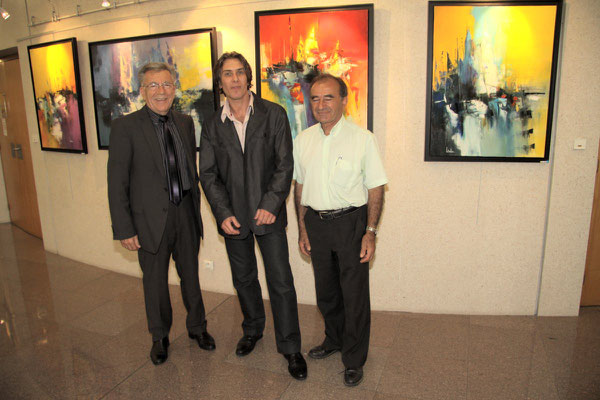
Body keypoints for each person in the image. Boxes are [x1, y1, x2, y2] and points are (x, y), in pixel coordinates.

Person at [199, 52, 307, 380]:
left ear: (248, 77)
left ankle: (290, 347)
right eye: (227, 75)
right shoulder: (212, 124)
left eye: (239, 73)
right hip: (233, 220)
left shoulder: (272, 114)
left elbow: (284, 164)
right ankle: (253, 330)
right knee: (244, 279)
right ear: (220, 83)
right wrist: (222, 213)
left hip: (268, 217)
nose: (234, 80)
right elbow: (208, 174)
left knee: (281, 282)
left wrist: (270, 204)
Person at [107, 62, 215, 366]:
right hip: (149, 221)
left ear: (175, 88)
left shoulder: (184, 122)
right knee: (154, 283)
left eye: (167, 84)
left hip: (185, 214)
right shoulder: (125, 127)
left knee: (191, 277)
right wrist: (124, 228)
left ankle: (198, 328)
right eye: (153, 86)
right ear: (142, 91)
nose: (161, 91)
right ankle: (159, 337)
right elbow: (117, 183)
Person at [293, 74, 387, 387]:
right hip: (316, 224)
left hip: (351, 223)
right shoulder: (304, 139)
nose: (321, 104)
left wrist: (370, 231)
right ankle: (333, 339)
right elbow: (300, 186)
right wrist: (303, 229)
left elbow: (375, 188)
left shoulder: (363, 139)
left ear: (343, 100)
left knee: (354, 295)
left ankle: (354, 358)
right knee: (327, 293)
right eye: (315, 98)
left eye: (328, 97)